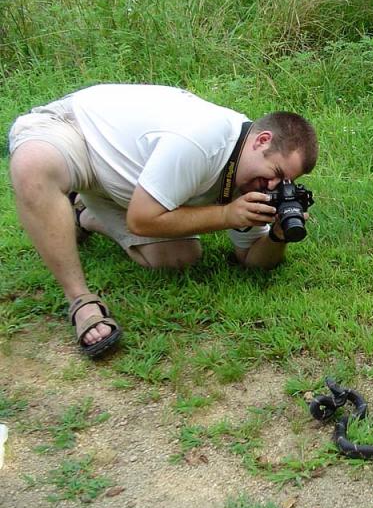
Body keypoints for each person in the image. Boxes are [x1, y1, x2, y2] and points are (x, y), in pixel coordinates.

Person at [8, 84, 318, 359]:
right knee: (33, 164)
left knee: (180, 257)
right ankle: (80, 299)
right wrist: (226, 215)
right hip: (78, 135)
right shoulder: (205, 139)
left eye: (286, 183)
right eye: (276, 173)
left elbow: (251, 259)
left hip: (129, 185)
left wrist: (277, 236)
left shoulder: (252, 180)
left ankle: (82, 215)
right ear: (261, 140)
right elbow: (143, 220)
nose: (274, 187)